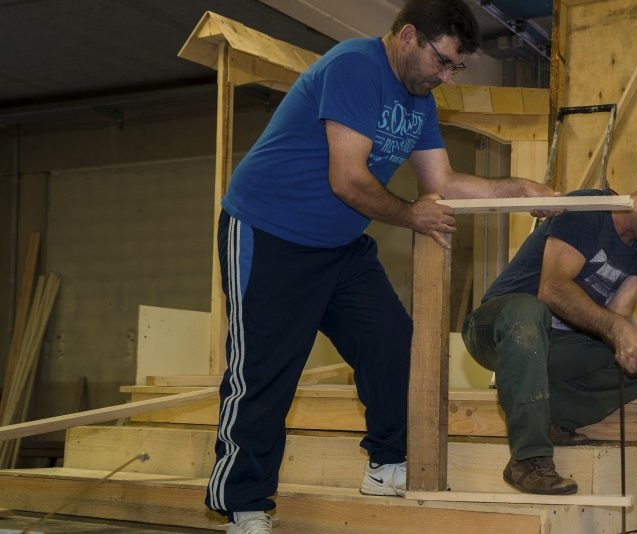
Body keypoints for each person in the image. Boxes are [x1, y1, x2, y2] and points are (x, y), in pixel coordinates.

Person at [205, 1, 558, 532]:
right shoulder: (354, 66)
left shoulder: (419, 101)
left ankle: (386, 464)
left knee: (393, 342)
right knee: (264, 373)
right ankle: (243, 506)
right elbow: (346, 179)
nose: (444, 76)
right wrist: (411, 215)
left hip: (339, 247)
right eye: (441, 61)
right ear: (408, 36)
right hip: (269, 233)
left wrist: (519, 189)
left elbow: (443, 182)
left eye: (454, 68)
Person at [460, 167, 637, 495]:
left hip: (552, 347)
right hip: (498, 330)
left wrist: (633, 338)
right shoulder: (588, 210)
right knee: (528, 311)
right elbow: (552, 289)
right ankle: (528, 459)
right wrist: (617, 328)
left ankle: (550, 416)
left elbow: (618, 316)